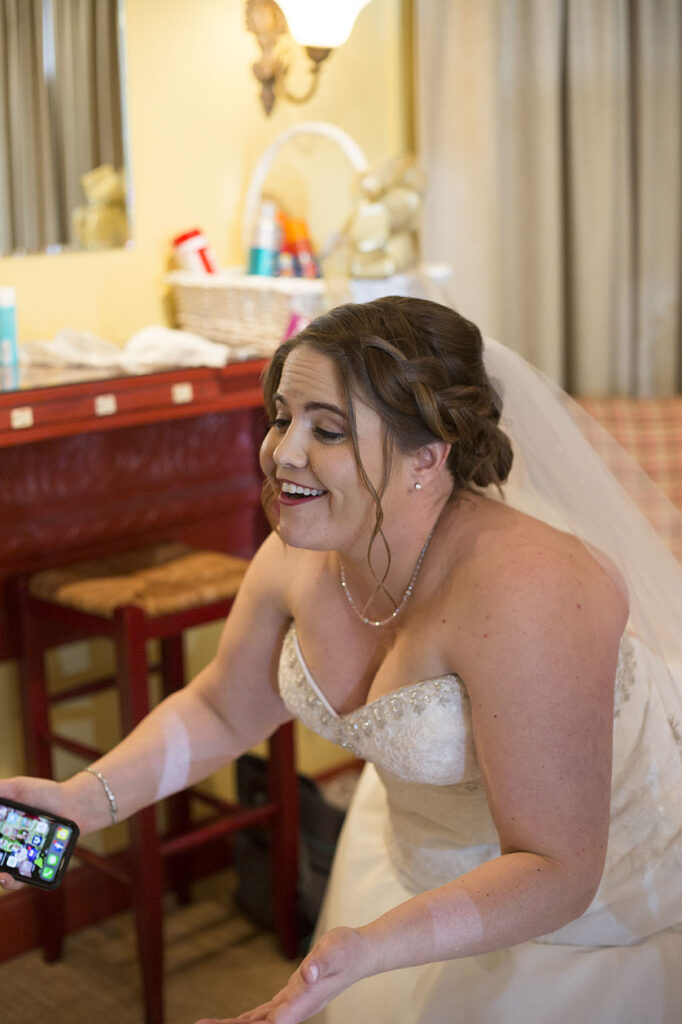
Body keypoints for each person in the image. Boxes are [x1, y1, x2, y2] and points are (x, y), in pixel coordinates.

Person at [1, 297, 681, 1024]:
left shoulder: (531, 593)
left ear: (428, 457)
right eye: (281, 417)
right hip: (428, 868)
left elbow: (557, 869)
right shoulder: (300, 555)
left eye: (326, 429)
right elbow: (224, 707)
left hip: (591, 910)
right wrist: (83, 800)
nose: (282, 453)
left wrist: (365, 949)